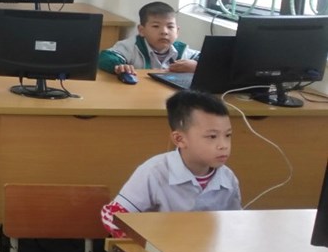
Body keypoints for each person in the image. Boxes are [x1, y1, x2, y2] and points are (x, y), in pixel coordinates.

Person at [101, 90, 241, 237]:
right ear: (180, 139)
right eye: (212, 136)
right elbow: (112, 216)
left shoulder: (228, 178)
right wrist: (148, 243)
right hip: (159, 247)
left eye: (228, 135)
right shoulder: (154, 172)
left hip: (207, 248)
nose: (223, 145)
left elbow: (234, 224)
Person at [98, 1, 199, 77]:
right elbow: (105, 57)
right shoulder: (131, 46)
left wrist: (197, 66)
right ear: (142, 30)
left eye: (170, 27)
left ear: (177, 31)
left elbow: (206, 59)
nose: (164, 32)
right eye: (156, 26)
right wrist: (119, 67)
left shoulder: (181, 50)